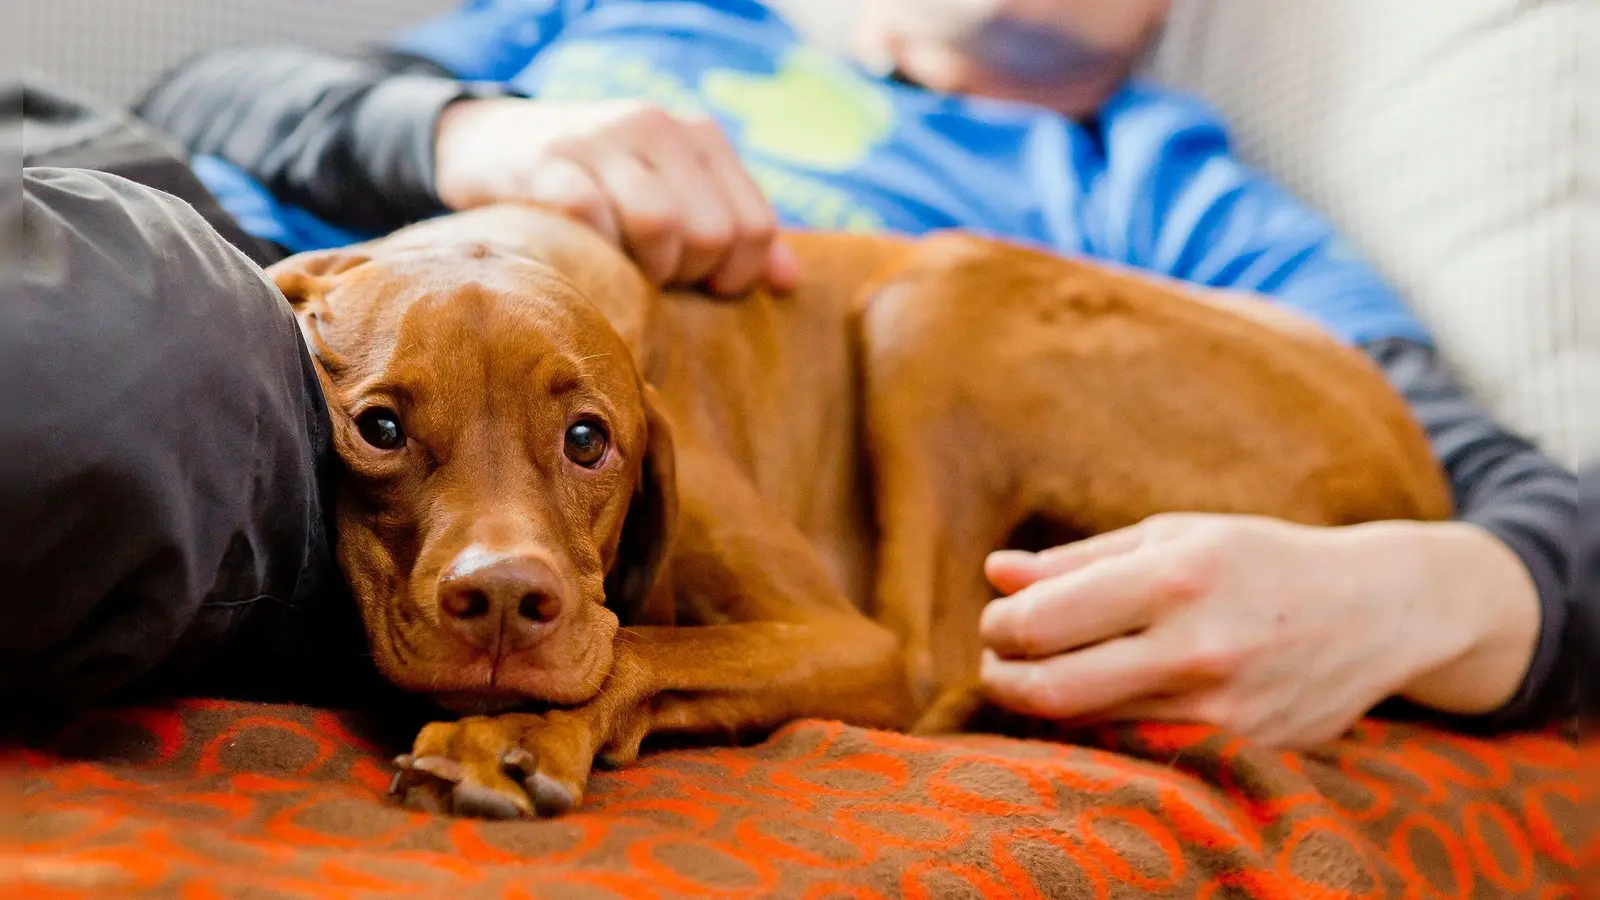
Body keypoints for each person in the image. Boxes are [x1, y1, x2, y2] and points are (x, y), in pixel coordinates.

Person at [9, 0, 1582, 743]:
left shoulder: (1167, 189)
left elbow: (1527, 503)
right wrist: (470, 131)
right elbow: (208, 90)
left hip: (226, 415)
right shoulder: (630, 16)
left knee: (84, 390)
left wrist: (1420, 596)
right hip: (215, 257)